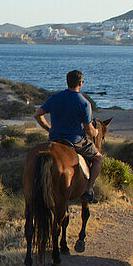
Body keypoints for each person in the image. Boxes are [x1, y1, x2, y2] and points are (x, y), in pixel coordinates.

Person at [34, 70, 103, 202]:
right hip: (75, 141)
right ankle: (88, 190)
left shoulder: (54, 98)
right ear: (81, 83)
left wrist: (48, 128)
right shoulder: (84, 103)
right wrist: (96, 132)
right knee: (98, 158)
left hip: (55, 139)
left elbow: (37, 115)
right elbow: (88, 130)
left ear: (67, 82)